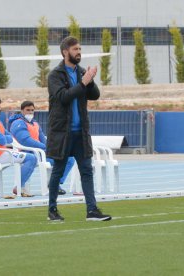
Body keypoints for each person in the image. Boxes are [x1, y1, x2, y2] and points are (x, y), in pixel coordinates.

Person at [46, 36, 112, 221]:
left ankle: (92, 210)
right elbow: (64, 97)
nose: (79, 53)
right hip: (62, 133)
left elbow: (95, 95)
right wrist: (83, 82)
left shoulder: (81, 72)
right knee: (58, 170)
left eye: (80, 49)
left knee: (86, 170)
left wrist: (89, 80)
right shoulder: (55, 75)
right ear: (65, 52)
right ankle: (52, 210)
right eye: (75, 49)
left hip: (80, 132)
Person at [9, 100, 75, 195]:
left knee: (69, 159)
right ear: (22, 111)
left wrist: (53, 148)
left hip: (40, 153)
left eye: (32, 110)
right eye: (28, 110)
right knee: (35, 158)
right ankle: (19, 185)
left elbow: (43, 139)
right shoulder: (18, 123)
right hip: (28, 152)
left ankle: (55, 184)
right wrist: (45, 147)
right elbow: (25, 140)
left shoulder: (35, 123)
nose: (30, 112)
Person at [0, 96, 37, 197]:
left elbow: (9, 136)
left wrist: (5, 138)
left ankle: (20, 186)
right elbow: (2, 140)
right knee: (31, 158)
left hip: (3, 152)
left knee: (30, 157)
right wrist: (5, 138)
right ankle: (19, 187)